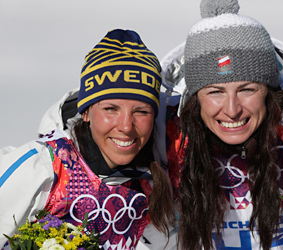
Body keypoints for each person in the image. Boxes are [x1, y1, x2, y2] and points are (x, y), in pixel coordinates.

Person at [0, 29, 175, 250]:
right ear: (86, 112)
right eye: (111, 109)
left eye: (141, 111)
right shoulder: (44, 168)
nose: (125, 126)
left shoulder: (158, 175)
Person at [159, 0, 283, 249]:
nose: (232, 110)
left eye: (247, 89)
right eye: (215, 92)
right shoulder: (167, 142)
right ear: (194, 98)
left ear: (269, 92)